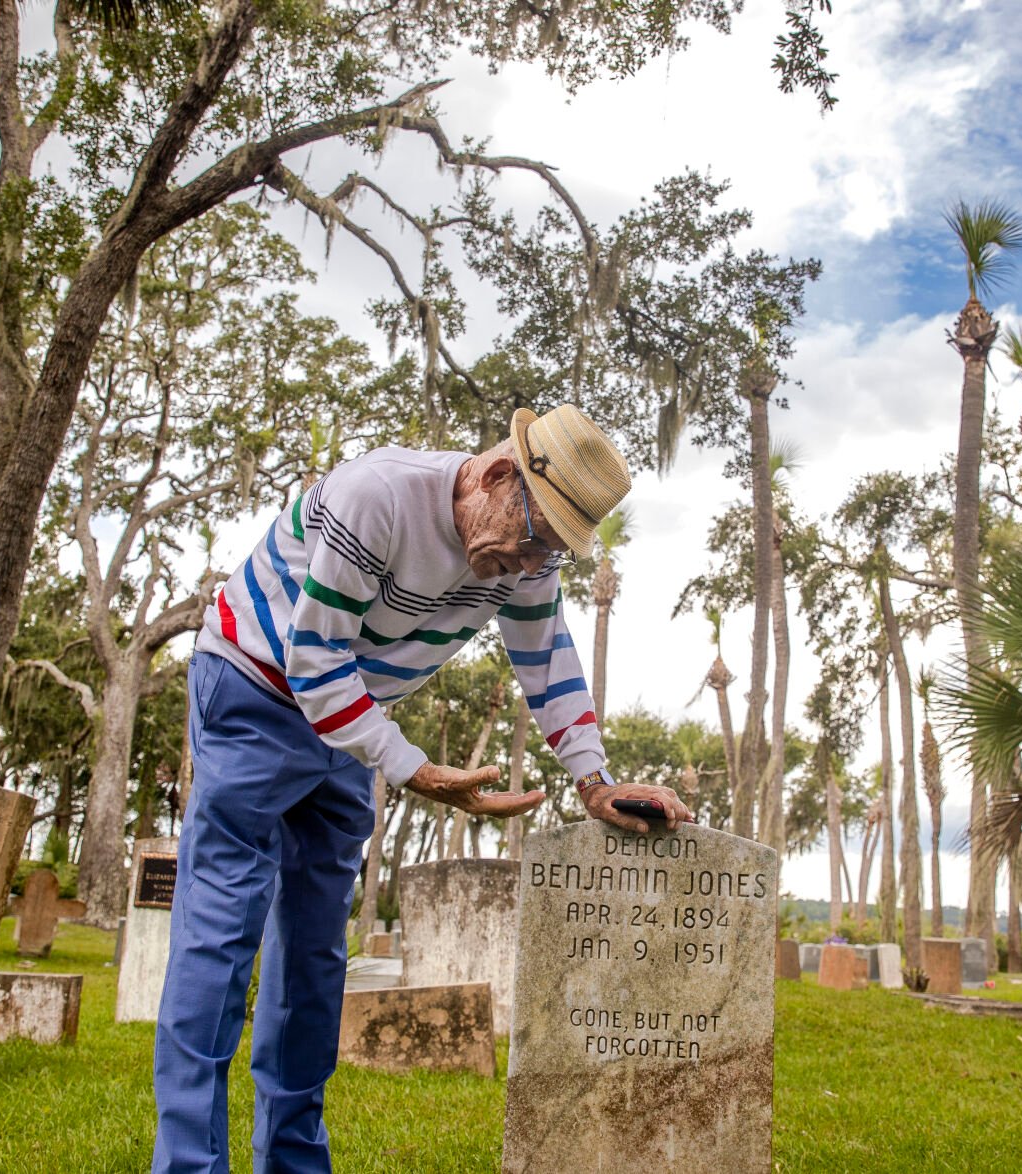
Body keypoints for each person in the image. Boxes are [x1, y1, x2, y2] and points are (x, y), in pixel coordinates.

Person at [151, 404, 692, 1173]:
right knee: (221, 931)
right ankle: (187, 1164)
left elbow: (545, 657)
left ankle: (293, 1163)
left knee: (312, 954)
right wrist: (413, 769)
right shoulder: (376, 495)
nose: (529, 565)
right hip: (256, 688)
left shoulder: (530, 556)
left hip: (352, 714)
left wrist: (593, 780)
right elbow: (314, 661)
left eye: (550, 552)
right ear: (498, 475)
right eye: (532, 540)